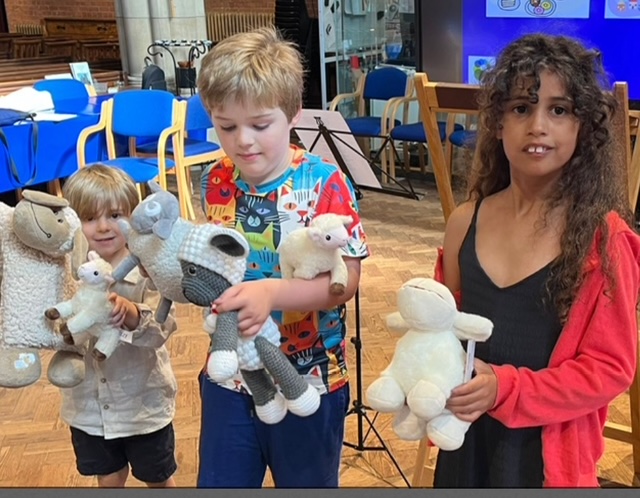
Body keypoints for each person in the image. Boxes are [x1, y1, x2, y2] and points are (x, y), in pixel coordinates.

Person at [432, 33, 640, 488]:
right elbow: (440, 334)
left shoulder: (604, 241)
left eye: (559, 110)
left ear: (582, 125)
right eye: (521, 108)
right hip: (464, 446)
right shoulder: (464, 222)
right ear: (498, 122)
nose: (538, 126)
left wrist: (505, 388)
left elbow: (610, 369)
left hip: (546, 459)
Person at [195, 27, 369, 488]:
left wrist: (271, 293)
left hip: (310, 380)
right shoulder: (215, 179)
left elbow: (345, 283)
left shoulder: (326, 182)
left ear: (293, 114)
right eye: (226, 126)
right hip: (231, 376)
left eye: (259, 125)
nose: (243, 141)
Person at [60, 165, 178, 488]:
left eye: (114, 215)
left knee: (157, 477)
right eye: (89, 218)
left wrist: (132, 314)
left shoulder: (150, 269)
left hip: (143, 405)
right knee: (109, 477)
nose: (103, 227)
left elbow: (164, 327)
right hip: (88, 408)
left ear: (133, 216)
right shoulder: (69, 274)